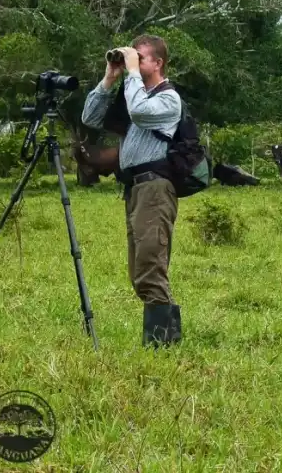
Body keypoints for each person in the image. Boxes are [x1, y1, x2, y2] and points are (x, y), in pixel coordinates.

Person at [81, 34, 184, 348]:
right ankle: (164, 339)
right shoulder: (133, 92)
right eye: (133, 58)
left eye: (140, 58)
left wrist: (132, 76)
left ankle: (161, 346)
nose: (133, 64)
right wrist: (110, 79)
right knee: (139, 270)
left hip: (155, 186)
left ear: (158, 63)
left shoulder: (168, 99)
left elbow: (139, 111)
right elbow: (90, 118)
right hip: (135, 189)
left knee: (151, 266)